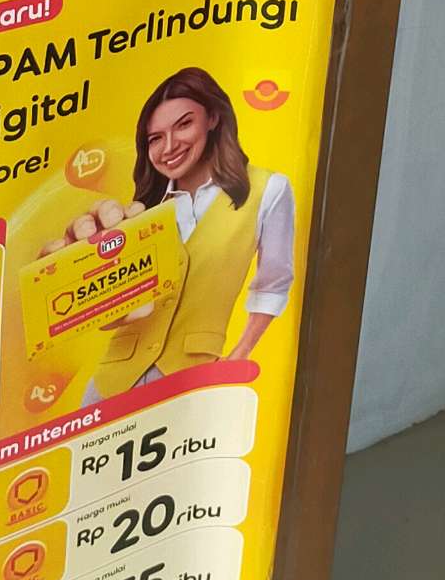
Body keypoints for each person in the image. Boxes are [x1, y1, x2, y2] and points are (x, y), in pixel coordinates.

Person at [85, 68, 295, 393]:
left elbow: (274, 282)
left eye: (183, 124)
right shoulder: (144, 209)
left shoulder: (267, 189)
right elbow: (113, 309)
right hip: (113, 377)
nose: (169, 147)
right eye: (155, 138)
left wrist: (240, 352)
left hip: (194, 374)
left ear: (212, 118)